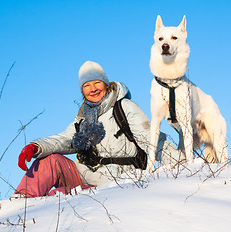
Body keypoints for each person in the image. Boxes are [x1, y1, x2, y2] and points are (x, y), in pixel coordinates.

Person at [13, 61, 183, 198]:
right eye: (87, 85)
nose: (93, 89)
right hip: (86, 173)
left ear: (106, 85)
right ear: (82, 90)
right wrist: (36, 146)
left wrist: (182, 167)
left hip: (118, 180)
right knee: (50, 161)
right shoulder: (84, 119)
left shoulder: (123, 107)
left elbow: (150, 138)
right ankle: (21, 204)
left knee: (57, 198)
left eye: (97, 83)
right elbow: (64, 139)